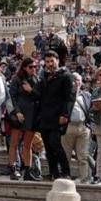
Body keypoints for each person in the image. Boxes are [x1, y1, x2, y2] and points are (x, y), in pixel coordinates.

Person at [37, 51, 75, 180]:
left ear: (57, 61)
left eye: (52, 61)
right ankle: (54, 172)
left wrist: (65, 114)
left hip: (58, 116)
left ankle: (66, 171)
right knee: (48, 147)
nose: (49, 64)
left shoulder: (66, 76)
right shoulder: (44, 77)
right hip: (45, 117)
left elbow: (70, 98)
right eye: (47, 62)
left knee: (55, 144)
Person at [7, 57, 41, 180]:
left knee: (28, 144)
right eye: (30, 67)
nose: (33, 69)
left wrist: (31, 90)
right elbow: (12, 97)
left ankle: (28, 170)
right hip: (19, 115)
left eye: (35, 67)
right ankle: (13, 168)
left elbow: (39, 96)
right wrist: (17, 112)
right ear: (24, 67)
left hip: (32, 115)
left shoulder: (37, 80)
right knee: (14, 143)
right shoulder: (17, 79)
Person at [61, 72, 92, 183]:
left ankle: (84, 178)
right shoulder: (63, 95)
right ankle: (66, 177)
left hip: (83, 127)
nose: (76, 82)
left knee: (83, 155)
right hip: (68, 127)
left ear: (81, 82)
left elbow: (90, 110)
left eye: (78, 80)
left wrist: (89, 126)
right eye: (73, 80)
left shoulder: (86, 95)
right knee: (66, 154)